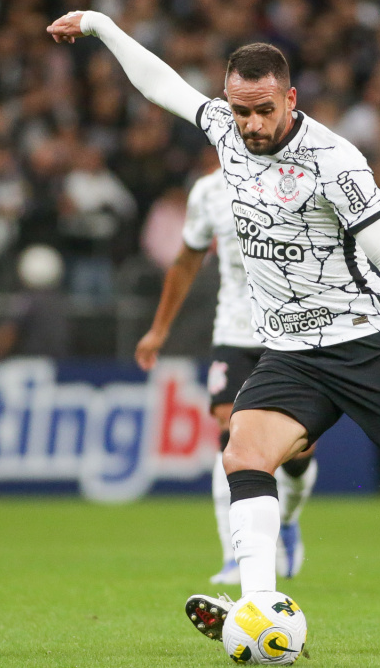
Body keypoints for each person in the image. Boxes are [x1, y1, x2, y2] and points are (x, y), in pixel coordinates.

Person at [47, 10, 380, 643]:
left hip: (364, 342)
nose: (251, 125)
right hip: (289, 353)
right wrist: (100, 24)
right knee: (243, 452)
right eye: (240, 110)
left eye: (264, 110)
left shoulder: (336, 162)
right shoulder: (226, 132)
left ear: (290, 98)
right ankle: (257, 603)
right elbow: (162, 85)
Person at [134, 164, 317, 585]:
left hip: (295, 333)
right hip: (234, 332)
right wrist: (159, 330)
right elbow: (185, 262)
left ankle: (286, 521)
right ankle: (236, 554)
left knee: (298, 450)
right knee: (228, 426)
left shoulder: (302, 178)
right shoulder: (209, 191)